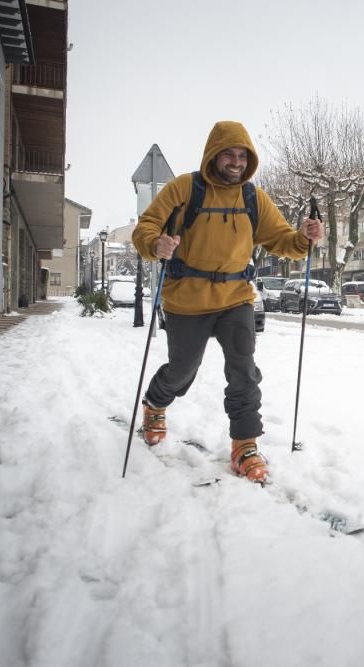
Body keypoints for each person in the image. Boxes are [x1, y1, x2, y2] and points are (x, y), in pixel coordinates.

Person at [131, 120, 323, 484]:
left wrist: (304, 237)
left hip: (236, 298)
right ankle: (155, 404)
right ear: (213, 155)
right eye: (229, 154)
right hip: (187, 299)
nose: (236, 162)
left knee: (243, 369)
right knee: (182, 370)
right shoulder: (184, 189)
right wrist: (156, 244)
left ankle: (245, 446)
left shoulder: (252, 197)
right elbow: (147, 226)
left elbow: (282, 240)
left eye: (242, 156)